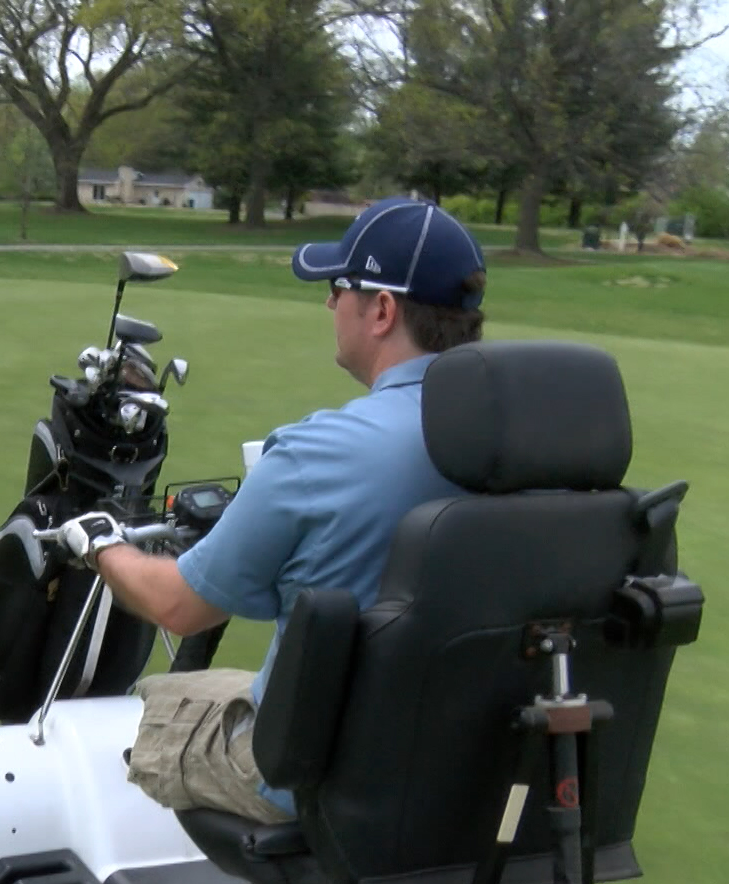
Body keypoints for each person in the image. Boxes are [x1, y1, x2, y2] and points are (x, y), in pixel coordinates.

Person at [54, 198, 488, 824]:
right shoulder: (531, 442)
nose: (329, 303)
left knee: (152, 706)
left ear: (383, 310)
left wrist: (100, 545)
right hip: (463, 759)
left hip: (319, 777)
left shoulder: (318, 453)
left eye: (340, 288)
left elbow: (181, 606)